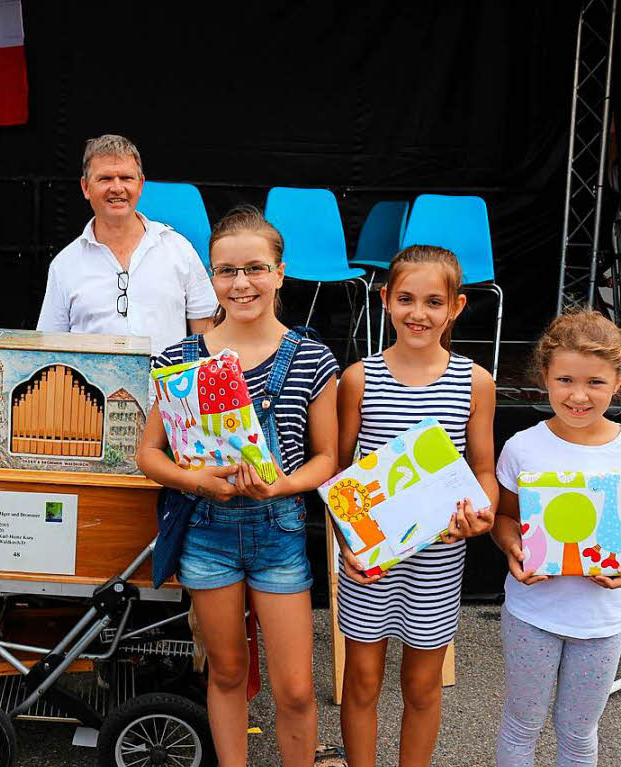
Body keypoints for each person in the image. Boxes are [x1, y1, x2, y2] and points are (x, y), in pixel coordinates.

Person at [137, 206, 339, 767]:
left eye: (255, 268)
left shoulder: (312, 359)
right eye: (226, 271)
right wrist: (195, 480)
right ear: (211, 277)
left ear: (279, 272)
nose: (241, 283)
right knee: (227, 674)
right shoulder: (180, 359)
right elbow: (148, 454)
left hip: (280, 535)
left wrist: (281, 487)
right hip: (207, 536)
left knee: (295, 689)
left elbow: (328, 458)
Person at [335, 246, 497, 767]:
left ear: (457, 307)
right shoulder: (360, 378)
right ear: (385, 300)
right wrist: (347, 544)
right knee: (360, 682)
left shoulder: (475, 381)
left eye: (433, 301)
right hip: (369, 563)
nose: (418, 313)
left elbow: (484, 470)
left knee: (423, 687)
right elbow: (340, 476)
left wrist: (484, 511)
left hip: (438, 560)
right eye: (405, 298)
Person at [491, 310, 621, 766]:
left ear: (617, 382)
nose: (579, 395)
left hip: (602, 623)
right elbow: (504, 517)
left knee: (580, 731)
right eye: (565, 379)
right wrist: (512, 548)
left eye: (596, 383)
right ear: (544, 375)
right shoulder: (523, 447)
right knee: (521, 723)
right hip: (532, 614)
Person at [36, 133, 216, 356]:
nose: (117, 188)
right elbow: (49, 347)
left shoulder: (179, 249)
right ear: (85, 187)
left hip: (166, 388)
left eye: (126, 178)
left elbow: (206, 334)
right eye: (105, 179)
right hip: (91, 389)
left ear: (140, 185)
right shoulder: (65, 264)